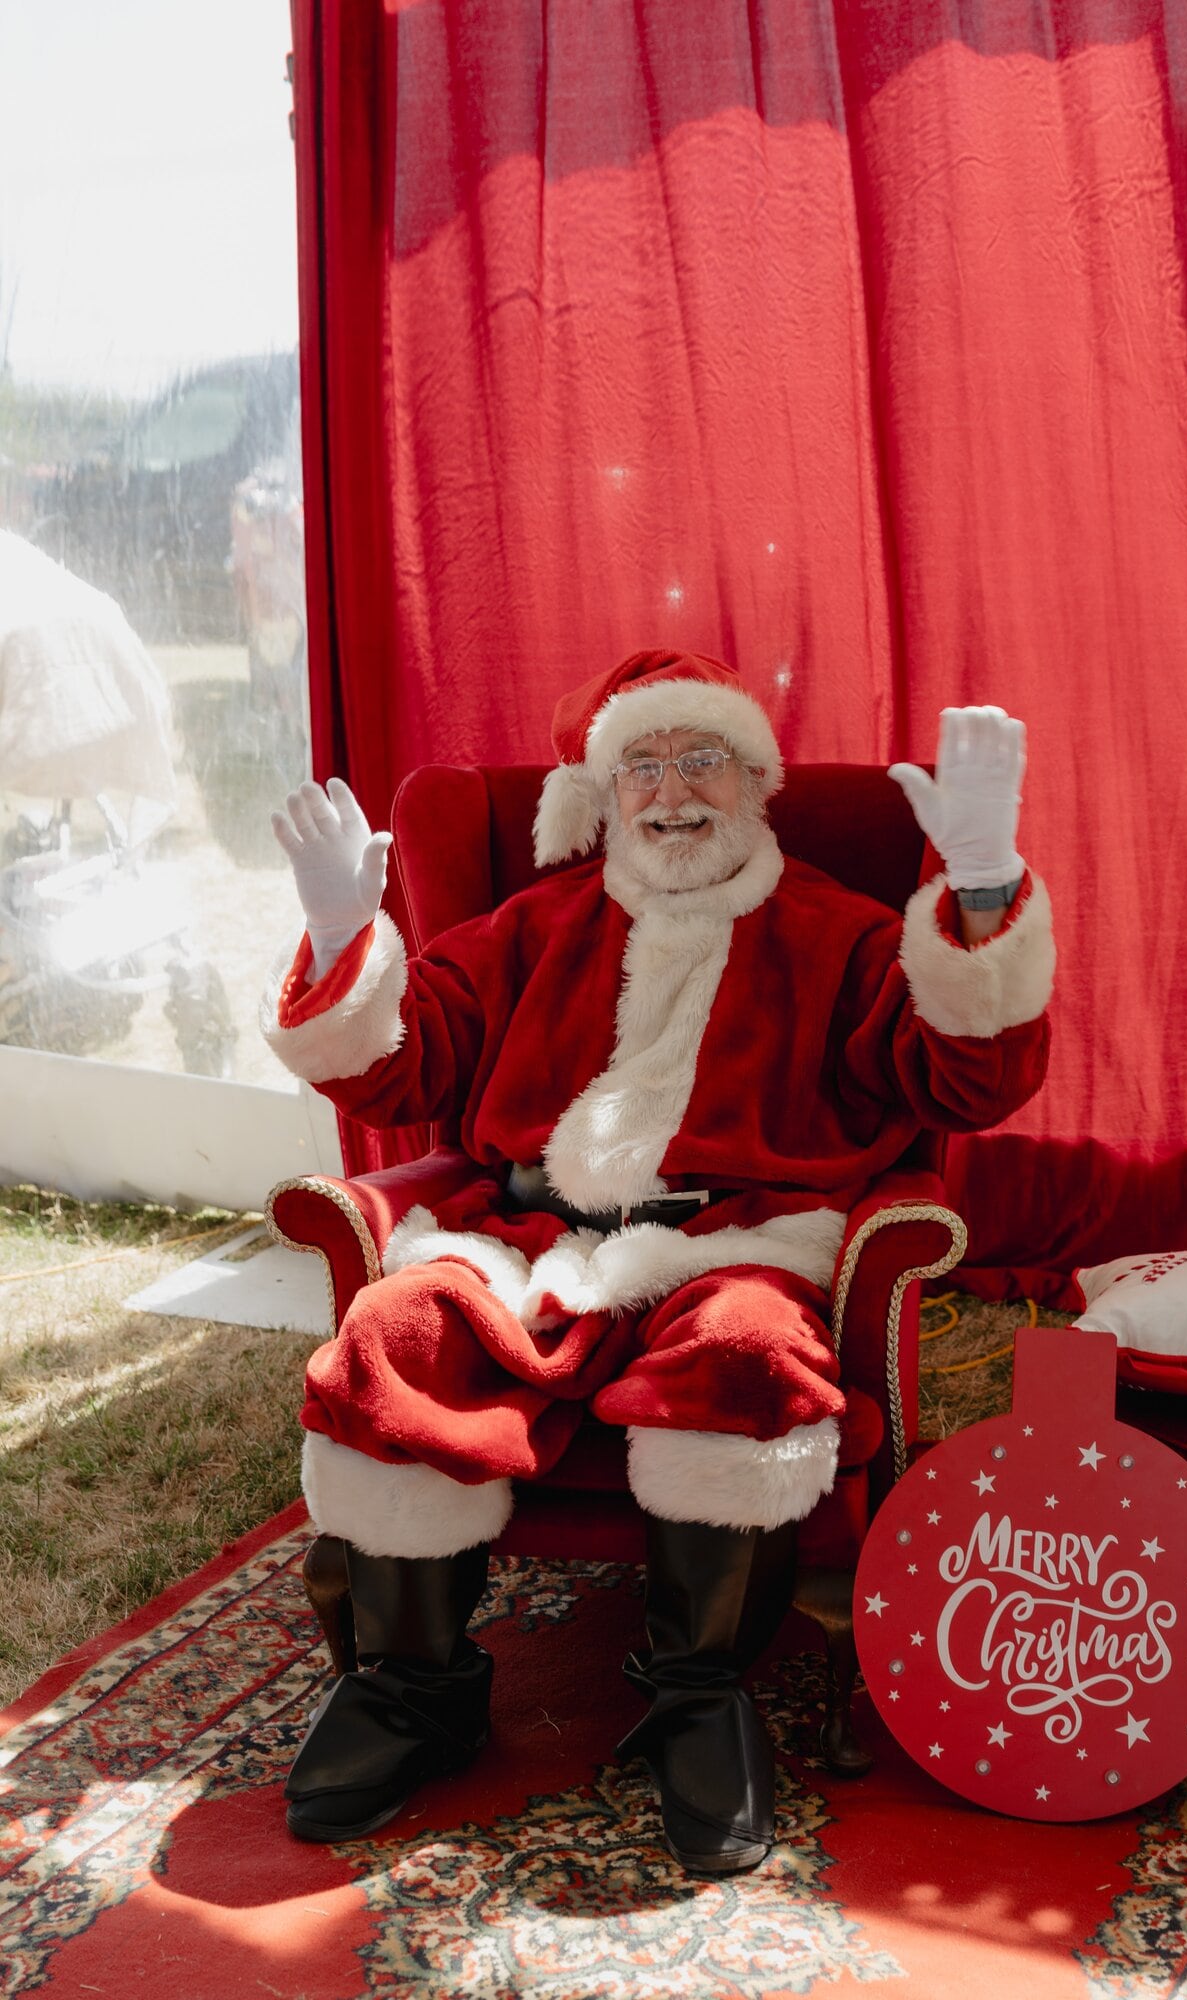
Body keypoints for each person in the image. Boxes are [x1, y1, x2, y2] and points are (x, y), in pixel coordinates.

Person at [261, 648, 1054, 1871]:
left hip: (737, 1241)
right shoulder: (531, 927)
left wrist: (985, 893)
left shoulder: (838, 934)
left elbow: (968, 1083)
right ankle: (415, 1690)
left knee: (748, 1354)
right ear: (603, 792)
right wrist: (338, 934)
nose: (672, 791)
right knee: (397, 1333)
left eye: (701, 759)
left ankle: (695, 1693)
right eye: (642, 765)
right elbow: (398, 1071)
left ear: (756, 781)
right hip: (528, 1239)